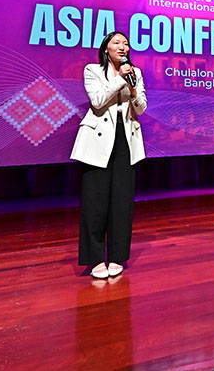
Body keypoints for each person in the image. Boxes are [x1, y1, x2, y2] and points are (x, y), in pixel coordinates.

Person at [71, 32, 147, 279]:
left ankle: (117, 256)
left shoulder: (135, 72)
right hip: (97, 142)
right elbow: (97, 101)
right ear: (106, 49)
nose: (122, 46)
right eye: (117, 42)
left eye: (126, 43)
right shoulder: (92, 70)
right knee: (96, 202)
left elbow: (142, 107)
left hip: (126, 141)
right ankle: (94, 259)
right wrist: (119, 80)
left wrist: (134, 91)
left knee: (122, 202)